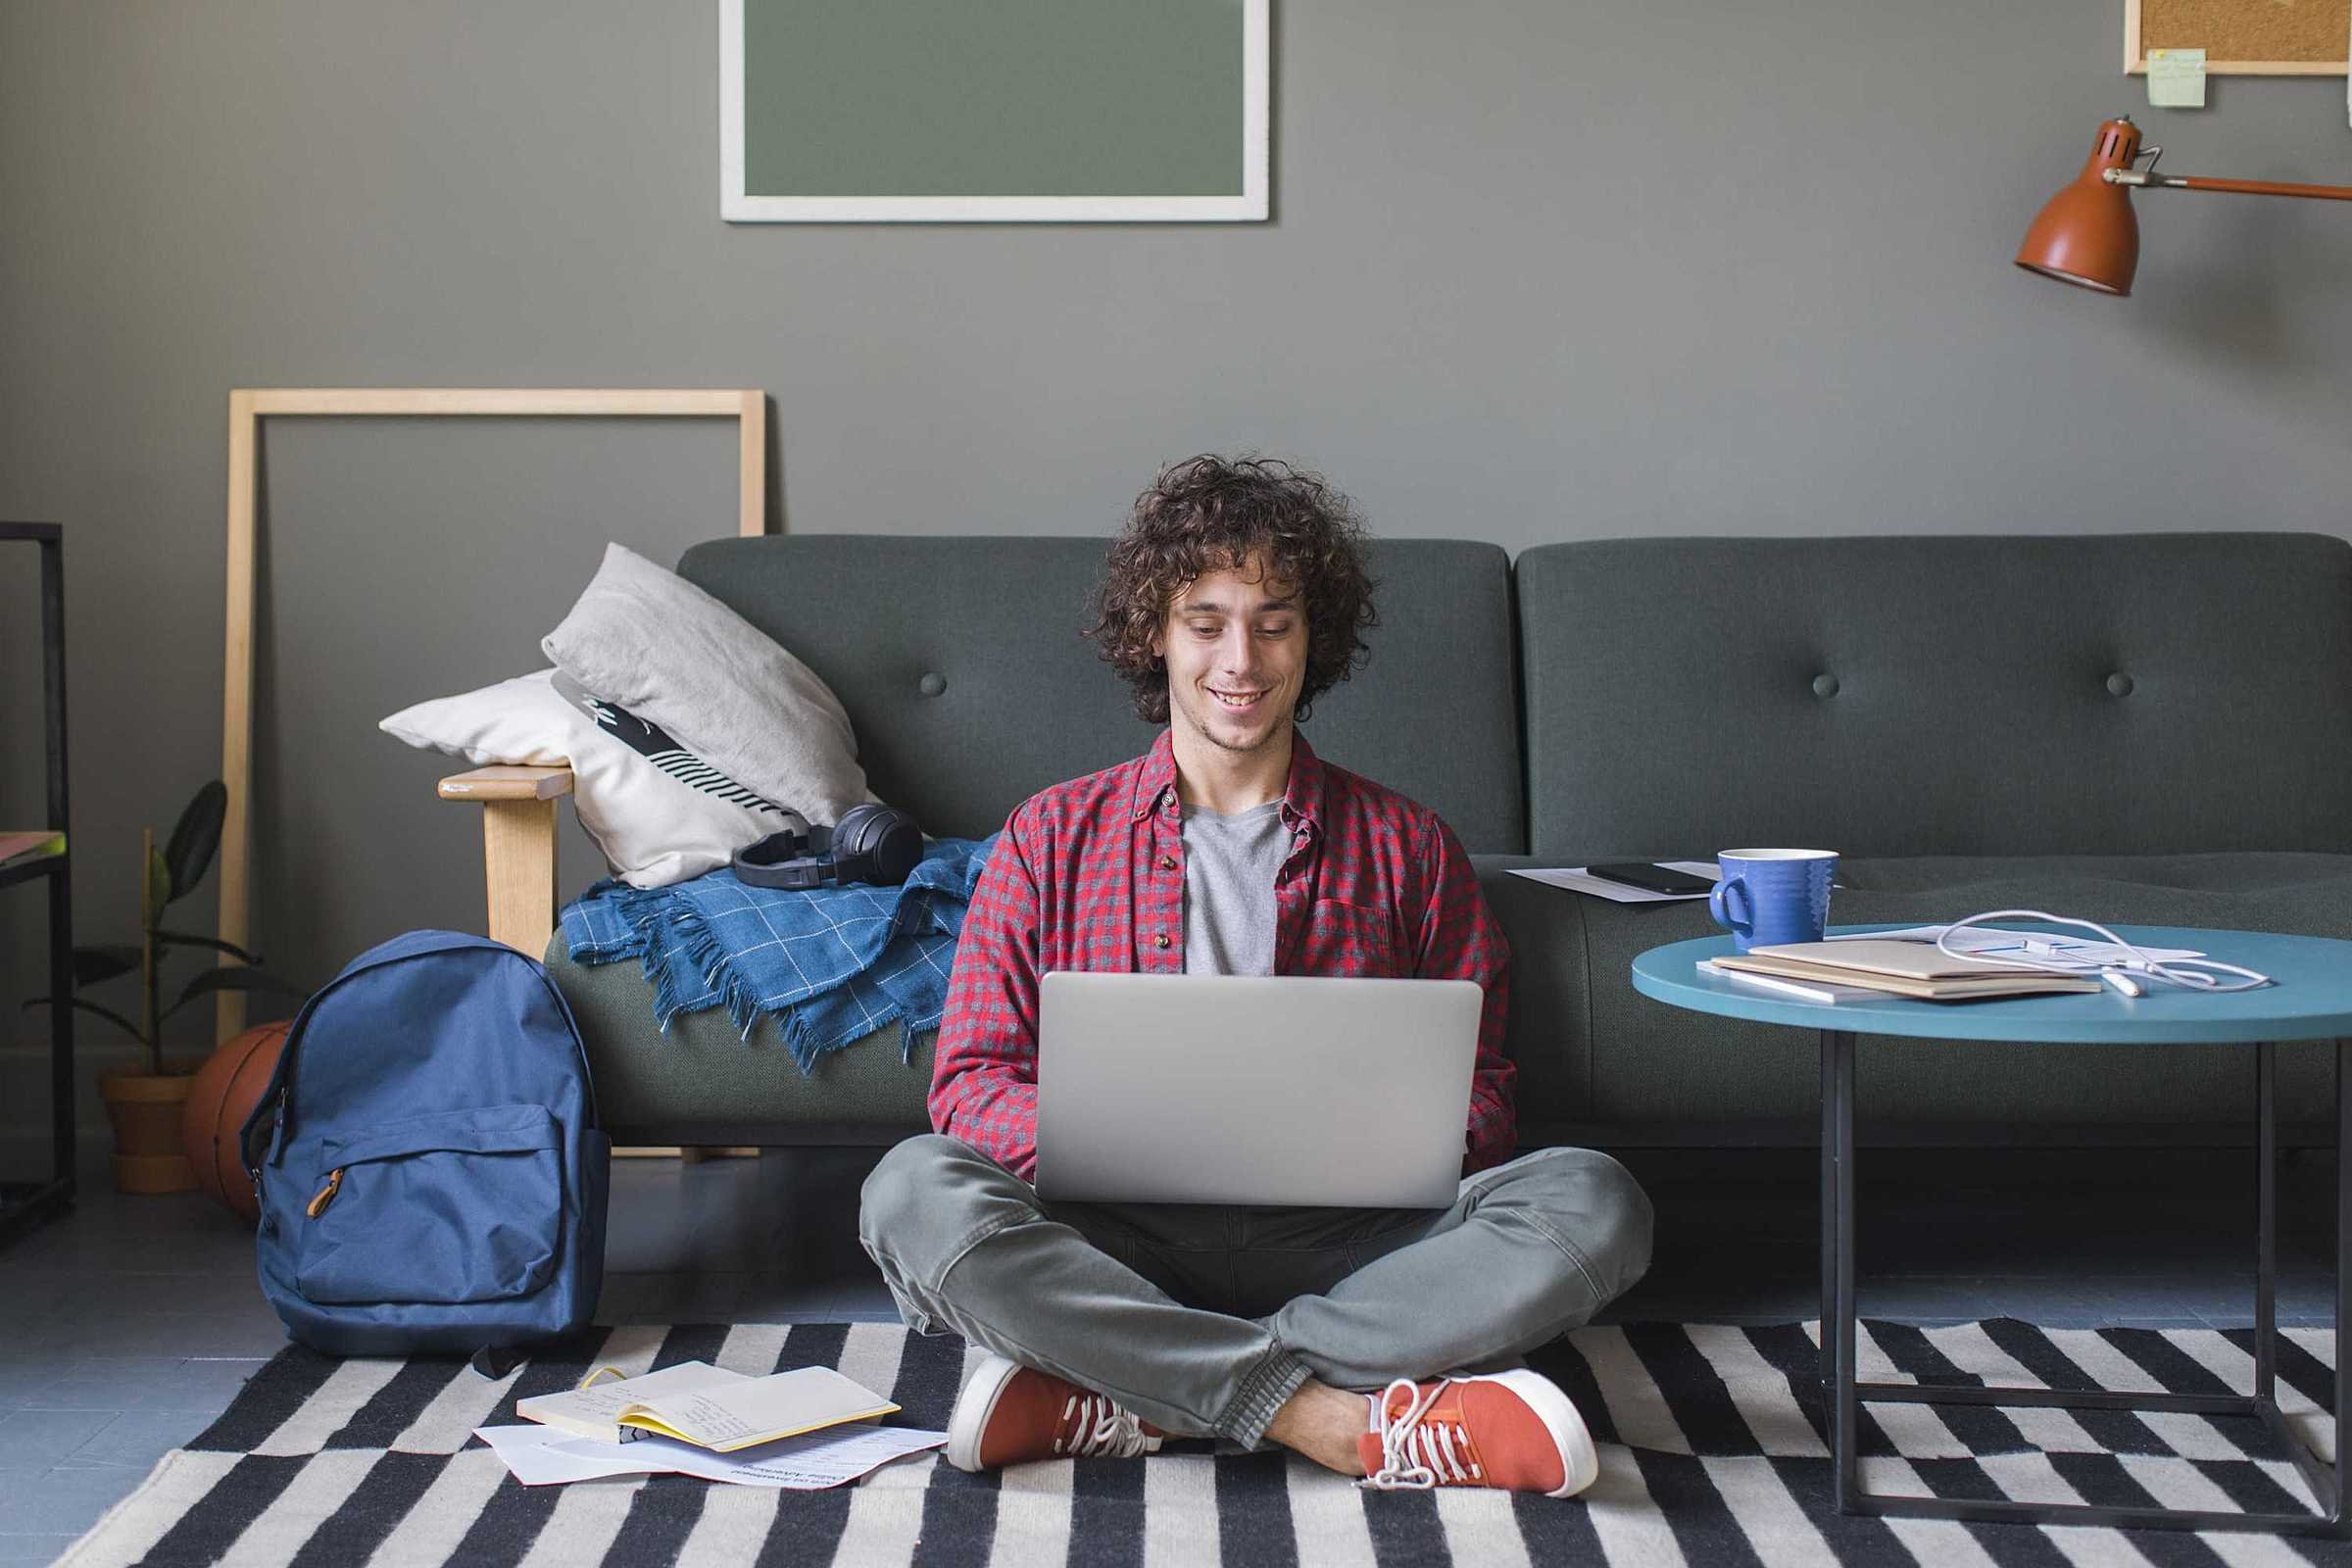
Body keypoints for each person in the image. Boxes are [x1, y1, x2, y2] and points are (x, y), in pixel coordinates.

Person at [858, 456, 1652, 1495]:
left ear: (1311, 638)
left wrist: (1400, 1141)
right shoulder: (1046, 836)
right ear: (1156, 631)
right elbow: (968, 1083)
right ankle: (1332, 1418)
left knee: (1596, 1200)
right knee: (910, 1190)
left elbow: (1486, 1089)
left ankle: (1129, 1387)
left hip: (1356, 1243)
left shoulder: (1410, 844)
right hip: (1115, 1238)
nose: (1242, 656)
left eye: (1275, 621)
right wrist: (1109, 1139)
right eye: (1207, 619)